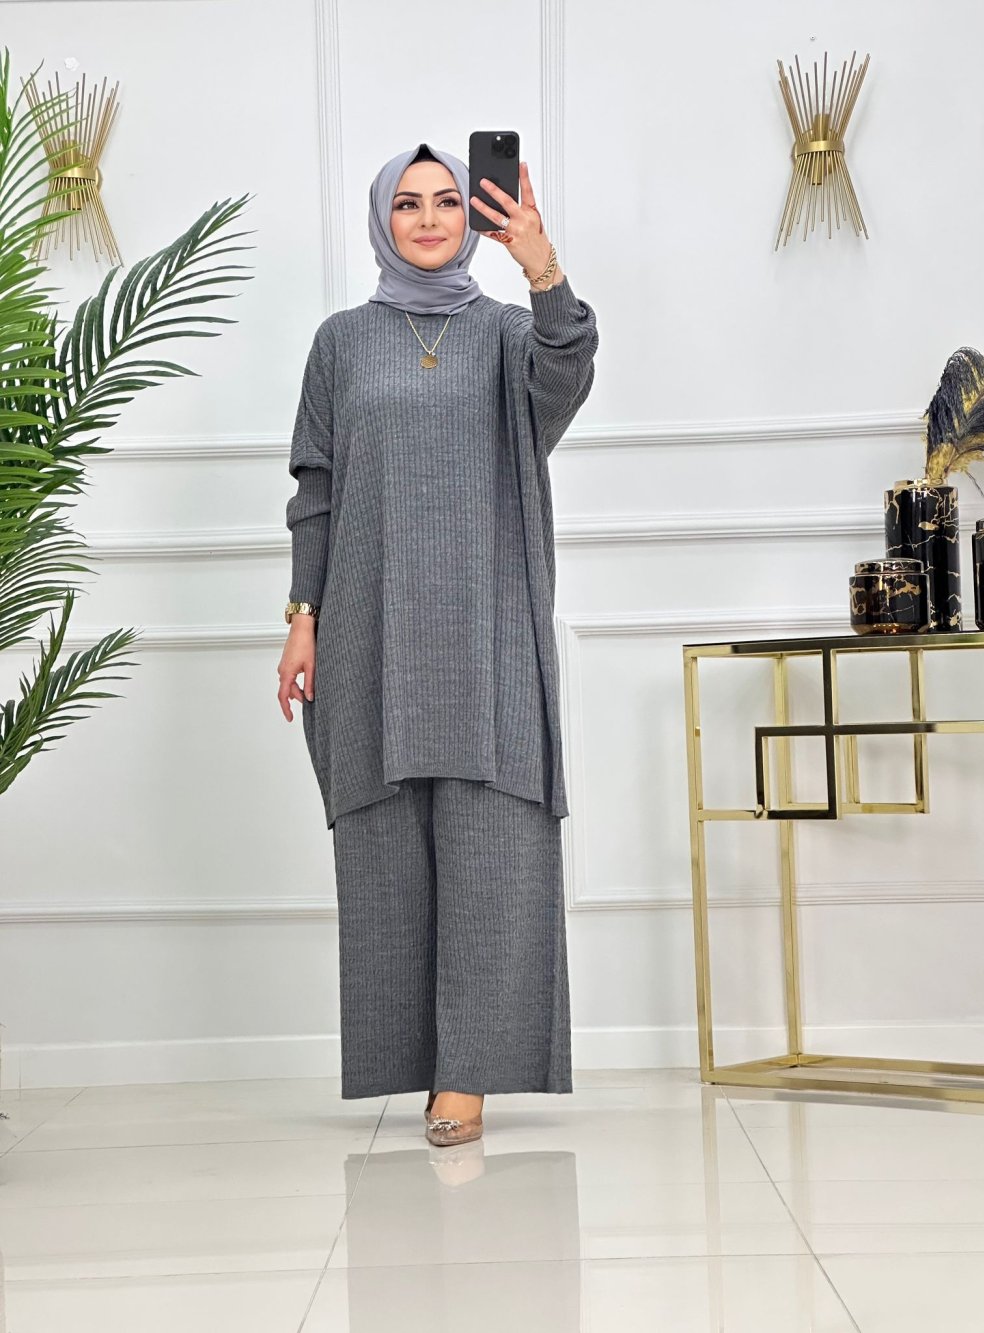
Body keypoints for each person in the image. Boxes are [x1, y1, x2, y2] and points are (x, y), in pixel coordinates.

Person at [277, 141, 598, 1146]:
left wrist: (540, 264)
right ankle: (410, 1061)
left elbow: (567, 371)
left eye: (447, 201)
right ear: (382, 220)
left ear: (471, 218)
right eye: (407, 203)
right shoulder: (341, 343)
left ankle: (469, 1074)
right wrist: (301, 617)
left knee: (491, 842)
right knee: (383, 850)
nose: (427, 218)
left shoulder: (508, 334)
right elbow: (317, 488)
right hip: (367, 623)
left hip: (487, 620)